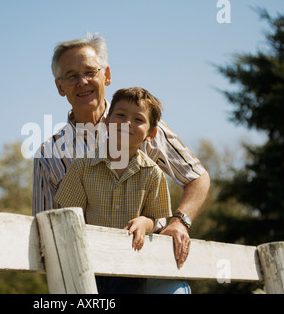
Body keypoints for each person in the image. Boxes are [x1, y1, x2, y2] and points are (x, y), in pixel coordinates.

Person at [32, 33, 210, 292]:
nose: (82, 82)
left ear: (106, 75)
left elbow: (197, 176)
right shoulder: (49, 154)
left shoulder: (143, 125)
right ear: (60, 87)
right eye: (71, 76)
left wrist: (180, 222)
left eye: (90, 72)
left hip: (150, 262)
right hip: (91, 272)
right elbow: (45, 232)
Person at [54, 87, 172, 293]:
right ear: (107, 121)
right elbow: (68, 216)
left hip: (131, 266)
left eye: (138, 119)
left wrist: (145, 222)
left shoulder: (153, 174)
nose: (127, 123)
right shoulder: (82, 167)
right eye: (121, 115)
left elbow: (157, 219)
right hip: (90, 261)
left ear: (151, 134)